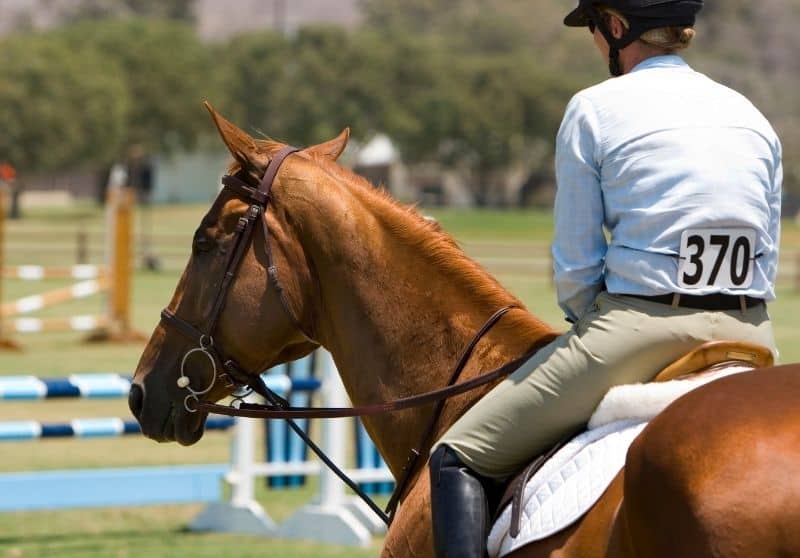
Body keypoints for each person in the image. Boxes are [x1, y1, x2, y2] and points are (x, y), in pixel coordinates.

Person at [428, 1, 783, 556]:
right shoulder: (751, 116)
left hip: (639, 332)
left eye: (594, 28)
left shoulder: (594, 108)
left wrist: (590, 323)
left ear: (616, 27)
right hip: (752, 335)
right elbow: (767, 253)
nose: (596, 43)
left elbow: (575, 267)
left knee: (459, 455)